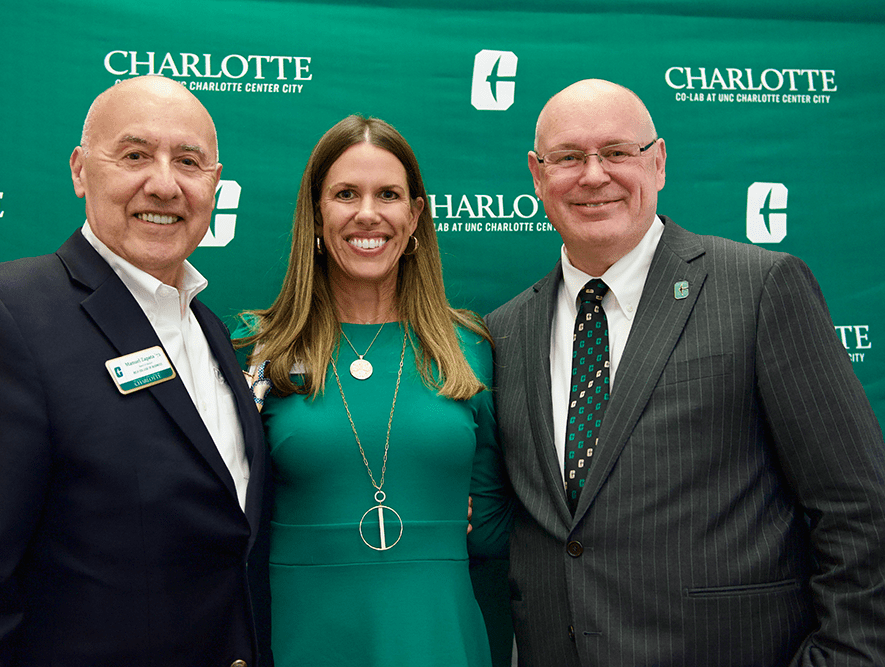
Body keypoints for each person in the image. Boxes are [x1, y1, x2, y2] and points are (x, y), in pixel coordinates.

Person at [485, 78, 885, 666]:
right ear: (537, 174)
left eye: (617, 153)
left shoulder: (759, 288)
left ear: (659, 161)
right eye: (568, 157)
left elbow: (860, 514)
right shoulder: (504, 332)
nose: (593, 176)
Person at [0, 76, 270, 667]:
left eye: (188, 162)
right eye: (136, 155)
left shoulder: (213, 331)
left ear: (214, 184)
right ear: (80, 169)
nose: (164, 184)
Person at [233, 115, 512, 666]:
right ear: (316, 212)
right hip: (301, 640)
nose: (367, 213)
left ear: (415, 216)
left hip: (440, 640)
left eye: (388, 194)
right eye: (344, 194)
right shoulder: (256, 349)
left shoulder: (471, 347)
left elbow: (492, 529)